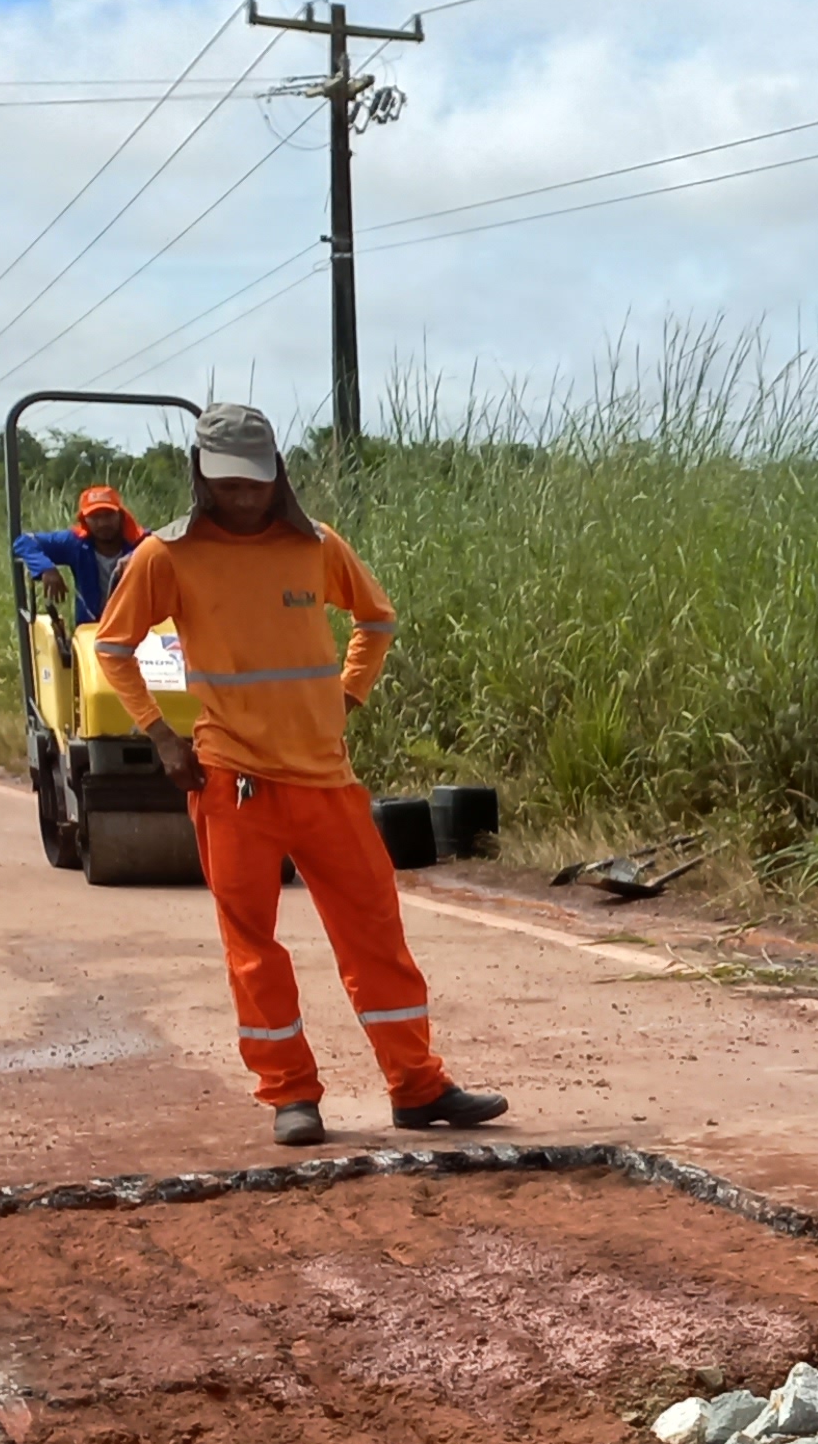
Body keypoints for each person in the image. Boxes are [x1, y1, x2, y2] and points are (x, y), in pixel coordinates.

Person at [90, 404, 508, 1150]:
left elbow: (376, 619)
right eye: (228, 484)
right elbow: (114, 647)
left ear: (277, 473)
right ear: (201, 477)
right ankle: (290, 1094)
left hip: (327, 782)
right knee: (253, 948)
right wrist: (160, 735)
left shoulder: (315, 546)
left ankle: (418, 1088)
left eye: (255, 483)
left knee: (375, 935)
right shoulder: (166, 556)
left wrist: (349, 694)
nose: (243, 497)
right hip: (233, 781)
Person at [14, 480, 142, 623]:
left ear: (121, 515)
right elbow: (25, 541)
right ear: (84, 520)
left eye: (109, 515)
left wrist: (138, 557)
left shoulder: (141, 541)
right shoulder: (76, 542)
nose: (103, 523)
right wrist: (45, 568)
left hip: (140, 624)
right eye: (95, 517)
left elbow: (162, 541)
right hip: (92, 627)